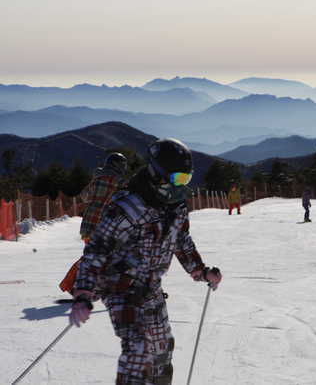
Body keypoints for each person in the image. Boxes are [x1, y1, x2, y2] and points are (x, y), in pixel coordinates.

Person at [69, 138, 222, 385]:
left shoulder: (176, 204)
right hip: (119, 285)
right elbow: (96, 249)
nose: (179, 185)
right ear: (156, 172)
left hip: (150, 285)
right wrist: (84, 291)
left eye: (185, 179)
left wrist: (200, 271)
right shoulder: (127, 205)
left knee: (162, 350)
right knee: (139, 349)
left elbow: (181, 239)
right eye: (176, 178)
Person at [59, 152, 129, 293]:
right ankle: (68, 284)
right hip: (101, 226)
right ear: (117, 167)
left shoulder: (95, 180)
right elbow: (131, 187)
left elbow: (84, 197)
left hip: (89, 224)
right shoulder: (115, 181)